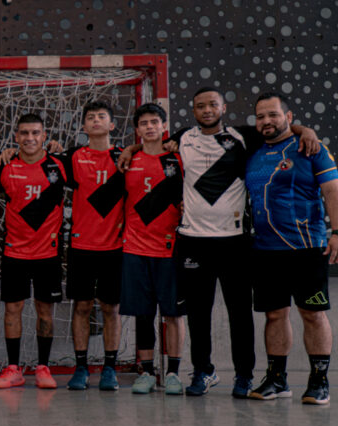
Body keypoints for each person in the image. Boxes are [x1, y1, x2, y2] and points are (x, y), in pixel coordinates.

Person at [118, 88, 319, 398]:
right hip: (193, 243)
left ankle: (243, 375)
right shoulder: (183, 138)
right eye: (200, 106)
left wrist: (305, 129)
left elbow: (280, 127)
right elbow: (153, 145)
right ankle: (203, 371)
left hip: (235, 244)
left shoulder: (244, 136)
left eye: (213, 104)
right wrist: (131, 149)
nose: (207, 110)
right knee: (198, 314)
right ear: (193, 111)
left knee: (239, 314)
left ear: (223, 107)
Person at [245, 92, 338, 405]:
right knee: (274, 315)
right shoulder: (254, 150)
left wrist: (337, 231)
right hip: (265, 251)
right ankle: (276, 379)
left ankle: (319, 381)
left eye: (273, 114)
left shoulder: (310, 148)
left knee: (313, 313)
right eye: (260, 116)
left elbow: (332, 190)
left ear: (288, 116)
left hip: (306, 250)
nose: (267, 121)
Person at [0, 113, 67, 389]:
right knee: (13, 309)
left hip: (48, 253)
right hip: (14, 253)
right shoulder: (5, 166)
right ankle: (13, 368)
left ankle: (43, 368)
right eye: (24, 133)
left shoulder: (60, 164)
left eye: (35, 132)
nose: (30, 138)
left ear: (44, 136)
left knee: (45, 311)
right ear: (16, 137)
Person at [120, 103, 185, 395]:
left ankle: (173, 373)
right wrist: (131, 149)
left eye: (154, 122)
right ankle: (146, 372)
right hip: (134, 247)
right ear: (137, 129)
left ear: (163, 126)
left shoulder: (178, 159)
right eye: (143, 123)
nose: (149, 127)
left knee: (173, 315)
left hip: (171, 248)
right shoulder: (127, 160)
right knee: (143, 314)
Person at [61, 101, 124, 391]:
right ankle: (82, 367)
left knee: (110, 308)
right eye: (90, 117)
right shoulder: (73, 156)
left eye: (102, 117)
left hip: (114, 247)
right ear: (84, 127)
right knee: (82, 306)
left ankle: (110, 368)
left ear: (112, 125)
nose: (96, 120)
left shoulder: (125, 157)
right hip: (81, 247)